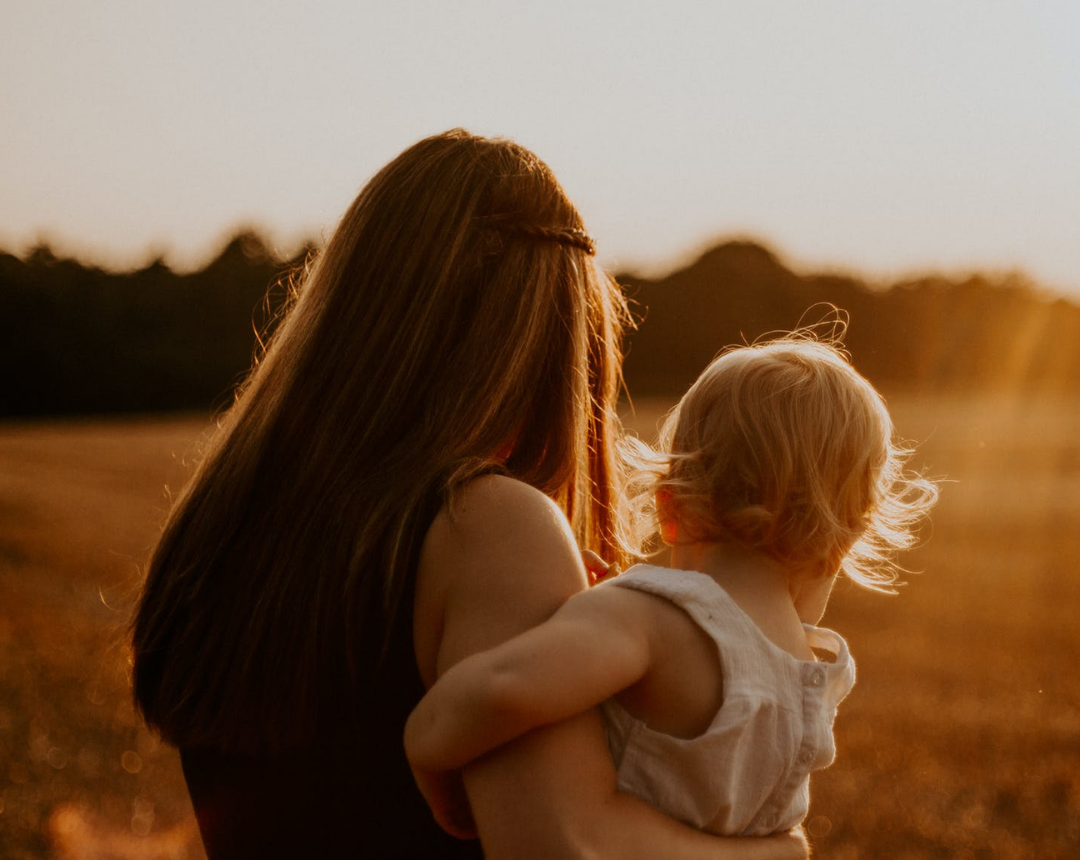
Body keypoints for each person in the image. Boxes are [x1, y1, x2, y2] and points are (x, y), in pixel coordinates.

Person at [129, 129, 809, 859]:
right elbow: (562, 848)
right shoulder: (488, 526)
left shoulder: (226, 523)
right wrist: (770, 853)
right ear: (549, 343)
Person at [405, 336, 939, 838]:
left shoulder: (647, 621)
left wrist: (426, 743)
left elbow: (505, 685)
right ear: (842, 542)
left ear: (670, 507)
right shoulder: (811, 676)